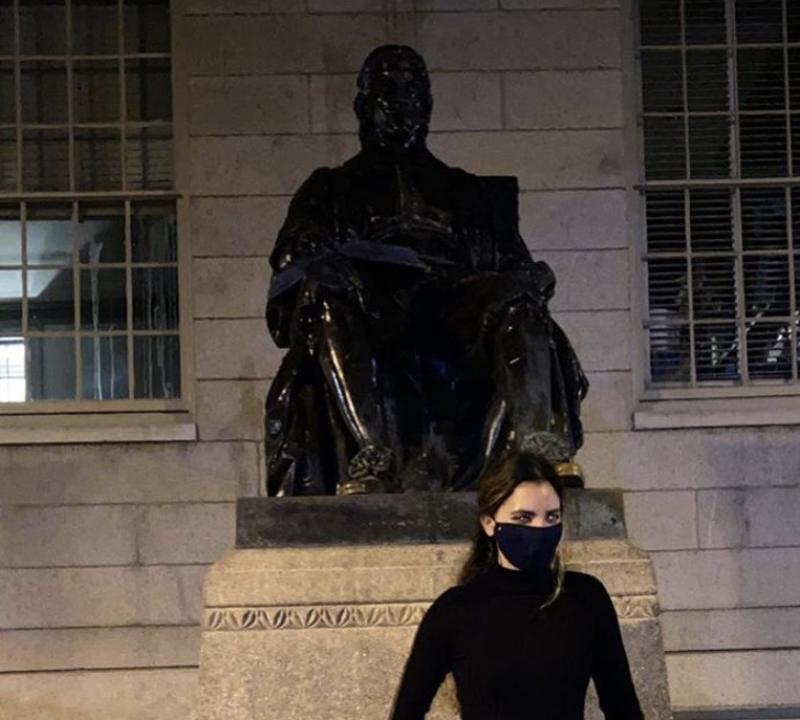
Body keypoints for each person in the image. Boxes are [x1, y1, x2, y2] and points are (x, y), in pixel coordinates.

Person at [264, 44, 588, 496]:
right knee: (325, 294)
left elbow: (513, 261)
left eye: (412, 97)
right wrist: (324, 255)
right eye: (387, 97)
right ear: (362, 107)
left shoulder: (467, 191)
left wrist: (533, 276)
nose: (400, 109)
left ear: (428, 107)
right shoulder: (330, 188)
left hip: (458, 306)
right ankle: (371, 456)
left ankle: (536, 451)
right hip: (372, 307)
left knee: (517, 302)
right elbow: (291, 261)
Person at [389, 452, 644, 720]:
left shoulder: (586, 598)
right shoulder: (456, 610)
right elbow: (408, 710)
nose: (539, 528)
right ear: (489, 523)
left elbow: (622, 705)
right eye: (524, 518)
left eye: (551, 517)